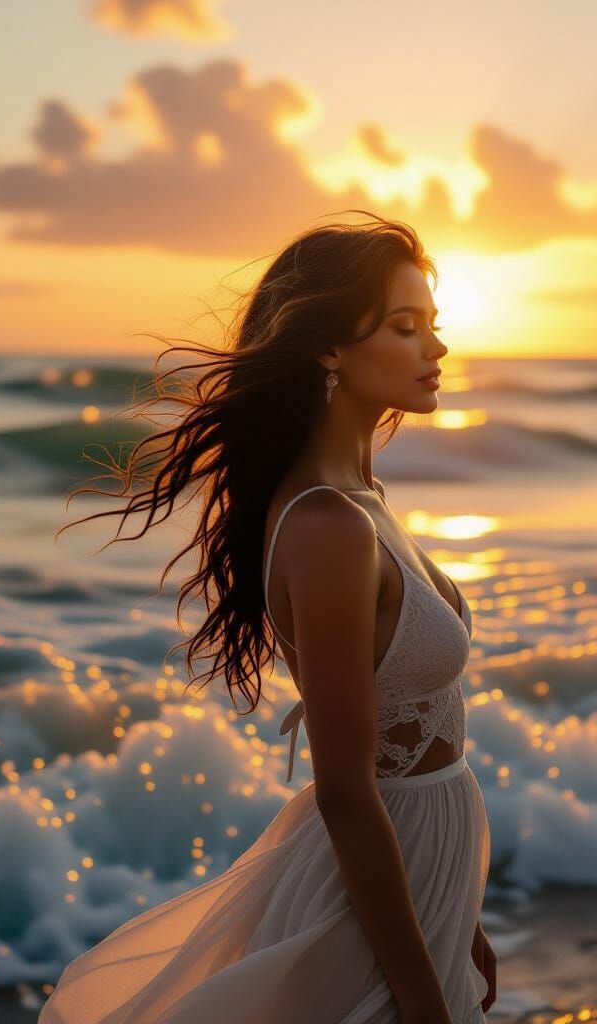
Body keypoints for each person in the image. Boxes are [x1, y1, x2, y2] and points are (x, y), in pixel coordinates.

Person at [40, 211, 496, 1023]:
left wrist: (461, 917)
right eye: (405, 326)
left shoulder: (365, 499)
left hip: (425, 886)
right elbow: (346, 792)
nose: (436, 347)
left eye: (433, 323)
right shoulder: (328, 525)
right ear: (329, 348)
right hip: (371, 917)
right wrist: (423, 996)